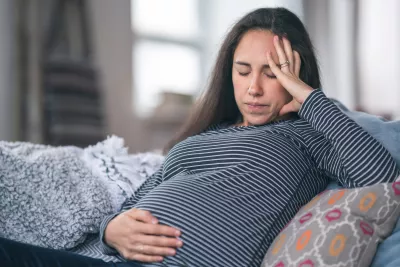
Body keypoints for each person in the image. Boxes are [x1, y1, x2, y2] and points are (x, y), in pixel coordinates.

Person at [1, 7, 399, 267]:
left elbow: (381, 172)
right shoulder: (204, 138)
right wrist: (110, 230)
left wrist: (310, 99)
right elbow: (136, 202)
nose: (254, 88)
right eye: (243, 71)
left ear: (296, 77)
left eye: (273, 73)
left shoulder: (306, 135)